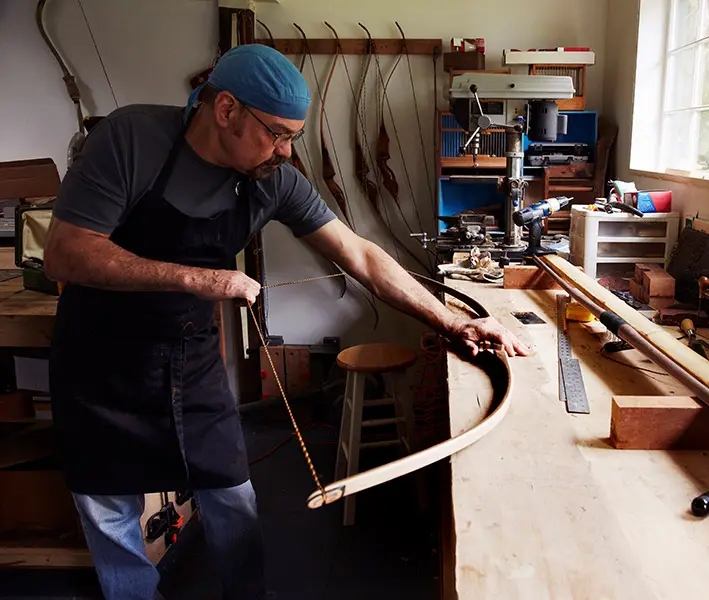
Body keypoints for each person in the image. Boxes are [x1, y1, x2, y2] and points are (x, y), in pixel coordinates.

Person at [44, 44, 528, 600]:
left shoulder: (273, 178)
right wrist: (200, 279)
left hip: (190, 356)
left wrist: (453, 324)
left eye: (293, 135)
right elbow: (66, 254)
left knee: (232, 497)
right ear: (225, 109)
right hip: (102, 361)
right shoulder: (130, 140)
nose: (286, 150)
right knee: (111, 509)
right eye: (276, 133)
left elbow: (362, 256)